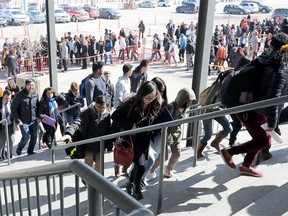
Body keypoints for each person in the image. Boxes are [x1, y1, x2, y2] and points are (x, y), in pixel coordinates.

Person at [220, 33, 288, 177]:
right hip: (251, 109)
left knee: (261, 138)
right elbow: (273, 97)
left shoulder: (265, 58)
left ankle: (246, 165)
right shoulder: (280, 69)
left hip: (248, 104)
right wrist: (272, 122)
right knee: (264, 140)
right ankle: (229, 152)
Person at [111, 81, 162, 200]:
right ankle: (136, 189)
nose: (150, 100)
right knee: (141, 166)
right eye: (147, 97)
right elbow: (115, 116)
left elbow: (154, 117)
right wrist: (130, 125)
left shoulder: (155, 103)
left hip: (145, 139)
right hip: (132, 139)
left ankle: (130, 183)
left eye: (153, 97)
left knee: (140, 164)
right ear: (141, 94)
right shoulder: (131, 104)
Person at [150, 87, 196, 178]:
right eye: (189, 101)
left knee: (177, 153)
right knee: (164, 156)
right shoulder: (171, 106)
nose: (190, 103)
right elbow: (163, 120)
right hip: (166, 133)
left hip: (176, 133)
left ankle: (168, 170)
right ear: (184, 99)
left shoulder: (185, 108)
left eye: (192, 101)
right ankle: (152, 169)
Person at [62, 95, 112, 173]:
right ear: (95, 104)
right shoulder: (87, 112)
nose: (101, 110)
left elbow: (108, 130)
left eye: (103, 107)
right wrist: (68, 133)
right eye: (99, 107)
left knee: (99, 167)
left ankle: (97, 184)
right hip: (88, 145)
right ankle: (87, 182)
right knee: (88, 165)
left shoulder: (107, 114)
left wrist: (109, 145)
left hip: (100, 146)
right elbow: (77, 122)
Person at [197, 72, 233, 158]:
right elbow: (208, 101)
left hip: (218, 112)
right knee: (208, 135)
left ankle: (215, 142)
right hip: (208, 112)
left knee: (229, 128)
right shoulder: (217, 86)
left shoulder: (228, 87)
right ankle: (199, 151)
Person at [11, 79, 39, 156]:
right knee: (26, 137)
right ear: (25, 85)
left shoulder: (36, 93)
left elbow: (38, 106)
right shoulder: (19, 95)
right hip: (23, 121)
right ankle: (19, 148)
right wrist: (17, 120)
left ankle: (30, 151)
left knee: (34, 137)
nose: (31, 87)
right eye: (29, 85)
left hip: (34, 120)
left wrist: (39, 115)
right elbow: (13, 108)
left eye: (32, 85)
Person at [0, 90, 15, 159]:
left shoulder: (12, 103)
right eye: (6, 98)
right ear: (3, 96)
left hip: (10, 125)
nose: (8, 100)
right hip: (2, 126)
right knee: (1, 142)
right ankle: (0, 156)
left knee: (11, 141)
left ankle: (10, 156)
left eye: (9, 98)